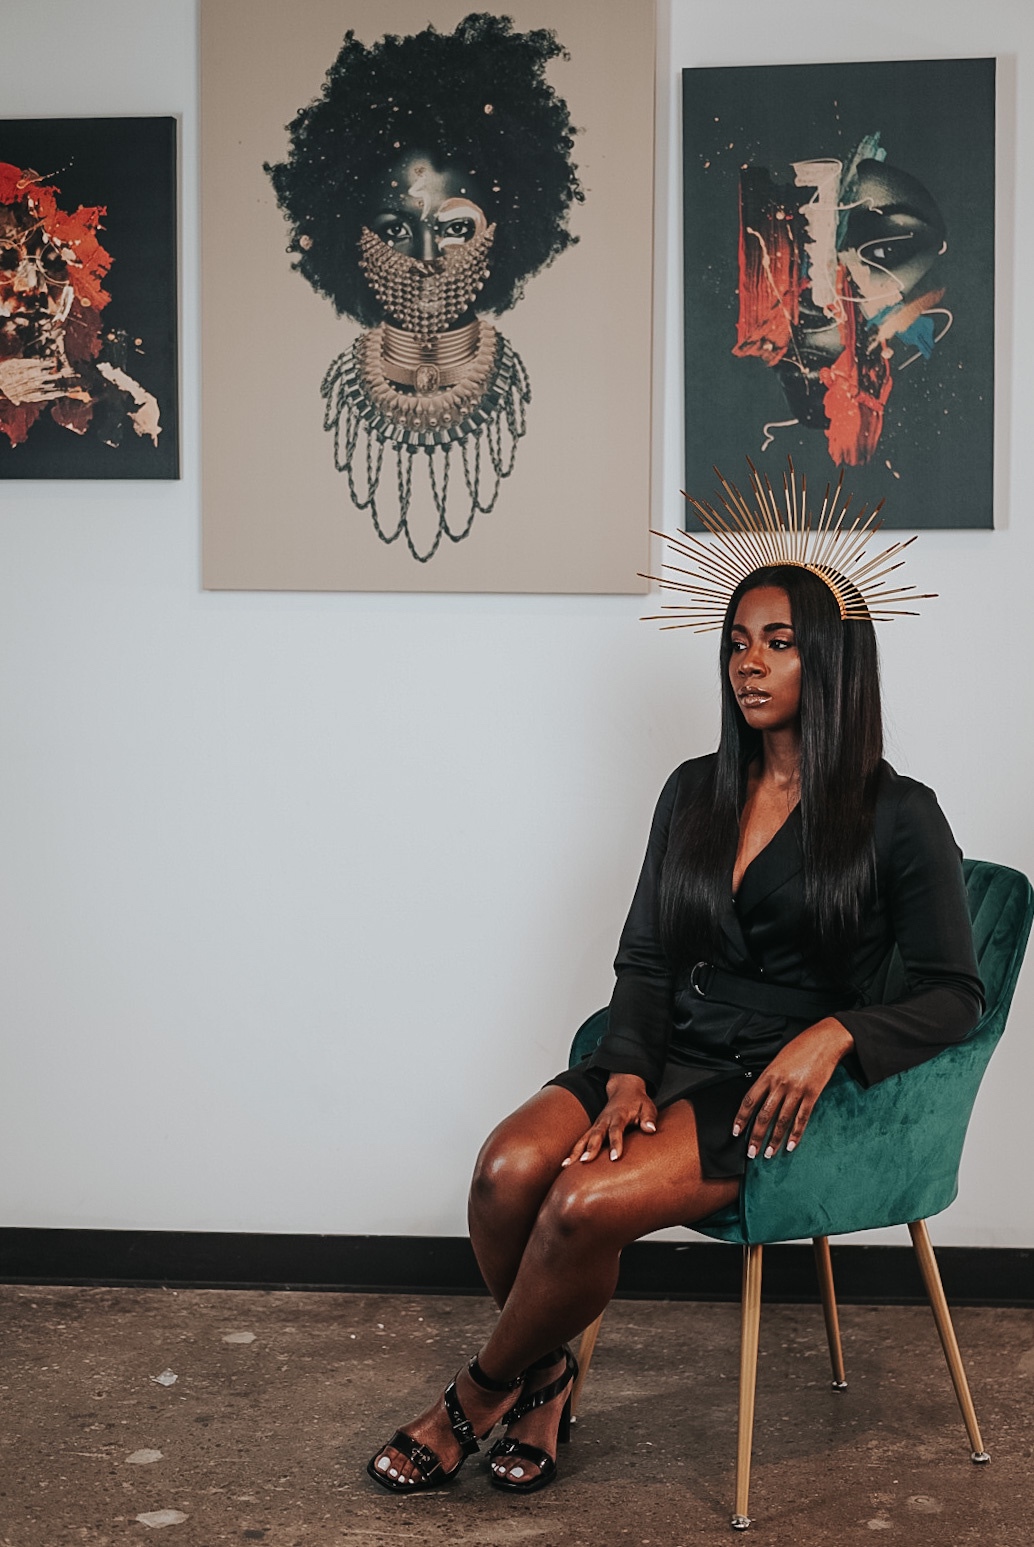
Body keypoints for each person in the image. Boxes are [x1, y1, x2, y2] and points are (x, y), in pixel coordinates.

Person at [366, 470, 983, 1496]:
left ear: (830, 658)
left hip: (766, 1087)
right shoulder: (694, 789)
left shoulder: (897, 813)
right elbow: (647, 954)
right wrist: (622, 1075)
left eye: (778, 642)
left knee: (577, 1202)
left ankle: (474, 1394)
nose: (749, 662)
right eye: (736, 641)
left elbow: (955, 992)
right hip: (664, 1046)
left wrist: (833, 1033)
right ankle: (548, 1377)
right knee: (504, 1172)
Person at [266, 13, 583, 562]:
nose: (428, 258)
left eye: (456, 228)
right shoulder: (309, 402)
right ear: (351, 238)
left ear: (503, 231)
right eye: (396, 230)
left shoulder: (562, 404)